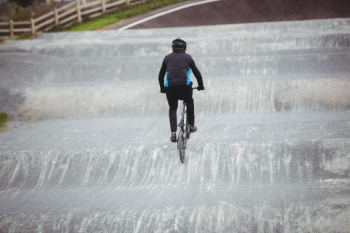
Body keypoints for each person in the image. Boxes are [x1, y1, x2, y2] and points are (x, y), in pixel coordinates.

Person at [158, 38, 205, 142]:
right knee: (189, 102)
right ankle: (191, 125)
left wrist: (162, 88)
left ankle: (173, 133)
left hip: (170, 87)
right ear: (184, 48)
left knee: (173, 107)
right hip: (185, 86)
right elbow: (197, 73)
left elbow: (161, 76)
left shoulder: (167, 58)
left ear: (173, 47)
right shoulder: (188, 57)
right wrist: (201, 86)